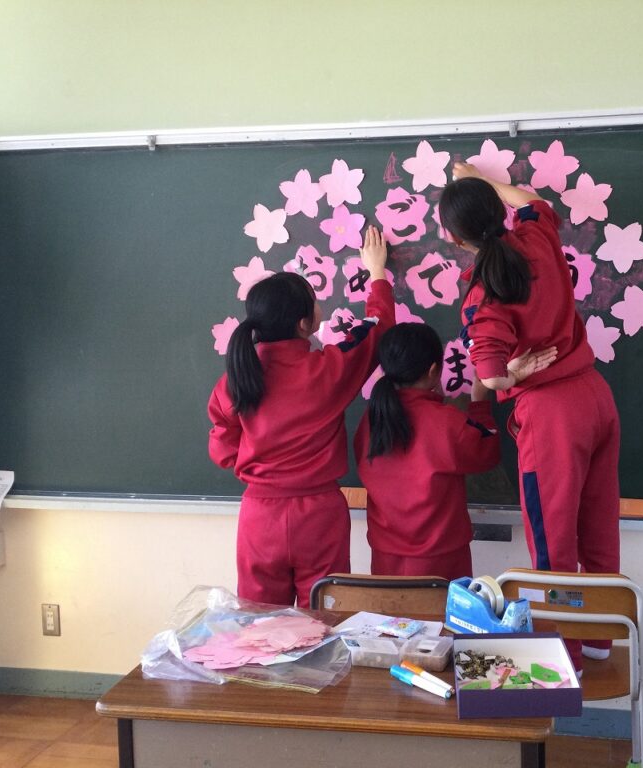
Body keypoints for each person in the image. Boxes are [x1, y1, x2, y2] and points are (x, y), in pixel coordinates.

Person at [439, 163, 621, 666]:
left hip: (551, 415)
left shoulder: (483, 293)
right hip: (595, 396)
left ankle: (567, 654)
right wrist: (482, 180)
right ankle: (600, 639)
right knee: (599, 526)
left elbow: (492, 374)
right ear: (499, 212)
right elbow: (533, 200)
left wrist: (514, 373)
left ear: (454, 240)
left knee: (553, 544)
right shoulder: (536, 235)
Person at [207, 226, 393, 606]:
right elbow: (379, 331)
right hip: (320, 516)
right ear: (304, 324)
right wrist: (377, 272)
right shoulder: (328, 370)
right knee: (323, 621)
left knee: (260, 623)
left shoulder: (235, 380)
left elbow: (223, 450)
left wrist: (260, 465)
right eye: (315, 301)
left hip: (260, 517)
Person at [355, 323, 555, 581]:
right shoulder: (446, 422)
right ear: (433, 371)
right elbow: (487, 452)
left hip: (385, 556)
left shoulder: (370, 421)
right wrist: (480, 401)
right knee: (446, 610)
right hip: (441, 558)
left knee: (394, 609)